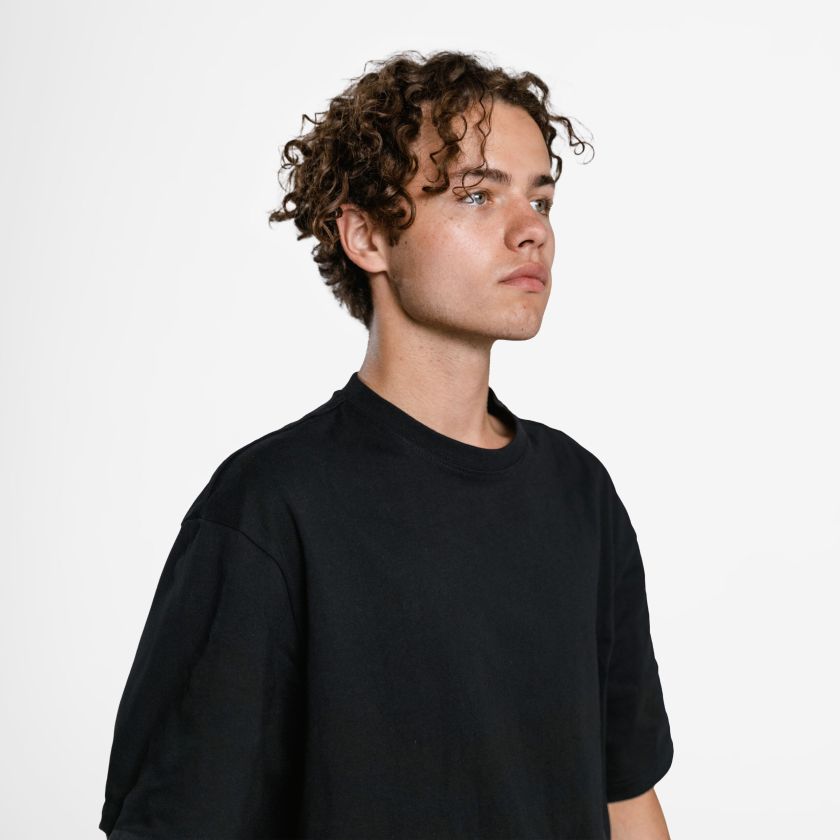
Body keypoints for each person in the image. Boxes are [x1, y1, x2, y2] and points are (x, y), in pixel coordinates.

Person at [98, 49, 674, 840]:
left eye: (540, 199)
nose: (531, 231)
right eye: (476, 194)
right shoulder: (270, 509)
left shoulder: (580, 495)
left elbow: (626, 798)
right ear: (367, 235)